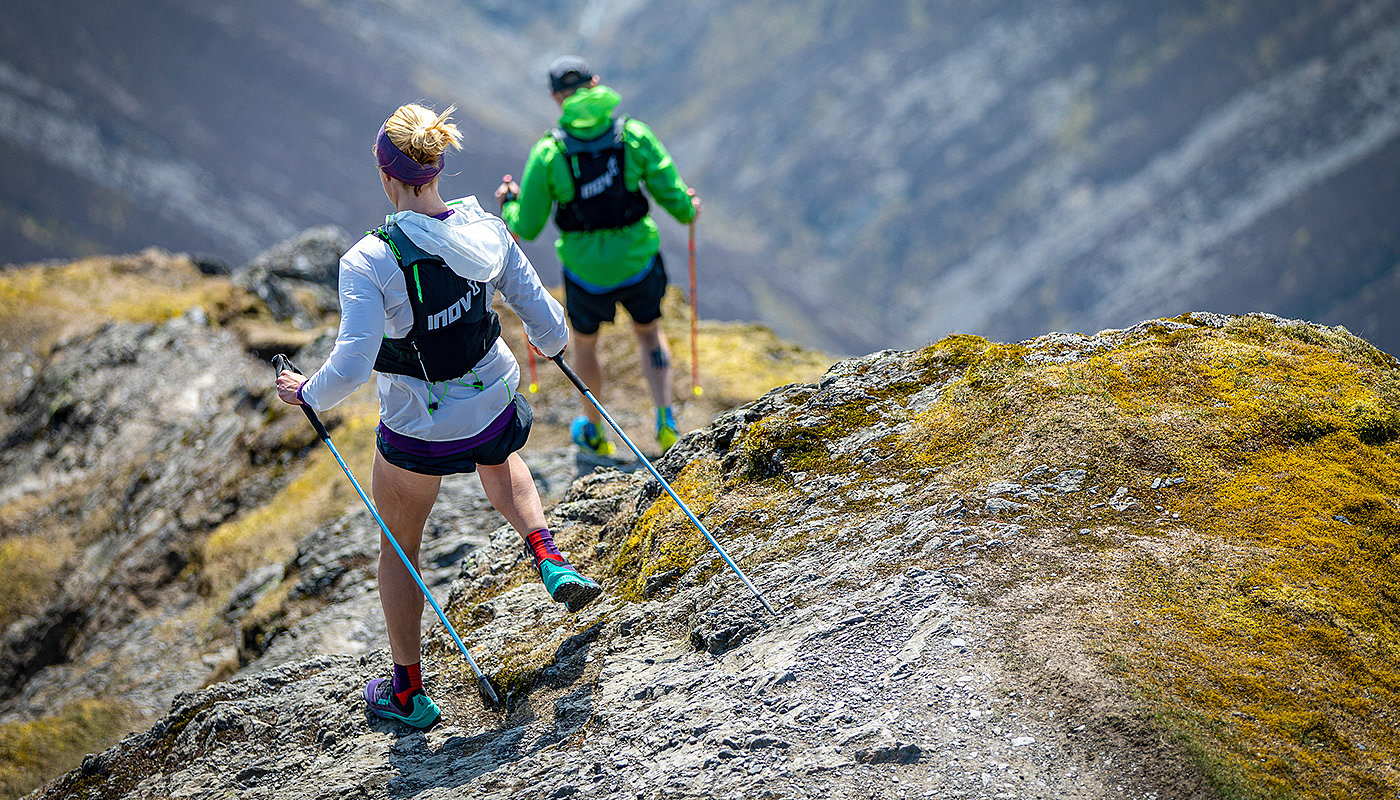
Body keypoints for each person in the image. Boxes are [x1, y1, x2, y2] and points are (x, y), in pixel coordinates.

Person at [276, 103, 602, 730]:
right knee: (502, 458)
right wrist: (554, 347)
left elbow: (352, 364)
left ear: (384, 174)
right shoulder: (485, 229)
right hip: (491, 403)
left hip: (417, 428)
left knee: (399, 547)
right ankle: (548, 555)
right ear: (438, 166)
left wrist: (306, 393)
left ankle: (407, 693)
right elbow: (549, 321)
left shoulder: (368, 261)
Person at [496, 55, 700, 457]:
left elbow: (528, 226)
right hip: (639, 260)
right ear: (596, 82)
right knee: (649, 332)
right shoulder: (634, 136)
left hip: (585, 271)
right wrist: (689, 208)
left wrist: (509, 205)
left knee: (586, 346)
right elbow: (677, 202)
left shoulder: (549, 153)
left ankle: (593, 430)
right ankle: (665, 421)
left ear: (556, 98)